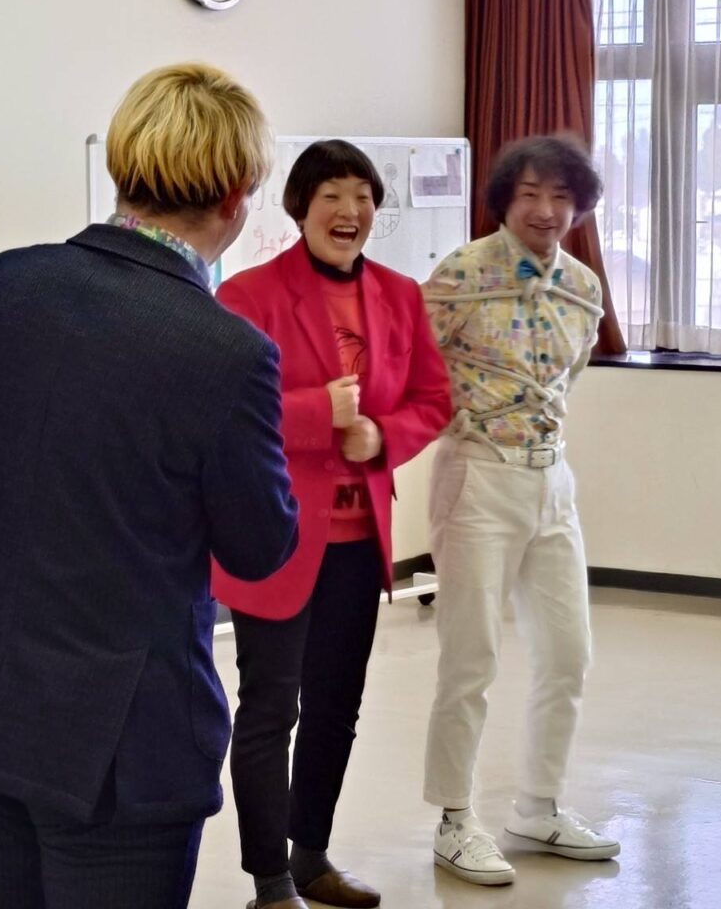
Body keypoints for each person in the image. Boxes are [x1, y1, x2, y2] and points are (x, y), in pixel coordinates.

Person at [0, 62, 298, 909]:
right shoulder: (226, 352)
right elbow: (258, 548)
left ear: (123, 166)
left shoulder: (4, 284)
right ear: (235, 196)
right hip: (123, 749)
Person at [211, 139, 452, 909]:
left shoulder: (399, 295)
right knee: (270, 710)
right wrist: (320, 414)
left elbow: (432, 400)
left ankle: (311, 858)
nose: (350, 212)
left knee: (336, 710)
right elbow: (225, 412)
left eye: (363, 197)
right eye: (332, 196)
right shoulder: (247, 295)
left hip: (357, 545)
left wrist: (384, 436)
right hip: (276, 538)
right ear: (300, 209)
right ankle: (270, 881)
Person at [422, 134, 620, 887]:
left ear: (579, 207)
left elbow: (570, 377)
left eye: (561, 196)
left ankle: (538, 806)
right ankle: (454, 818)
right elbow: (417, 368)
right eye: (530, 193)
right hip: (478, 472)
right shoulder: (460, 275)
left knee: (569, 653)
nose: (545, 209)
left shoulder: (582, 288)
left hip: (552, 479)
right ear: (504, 199)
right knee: (470, 657)